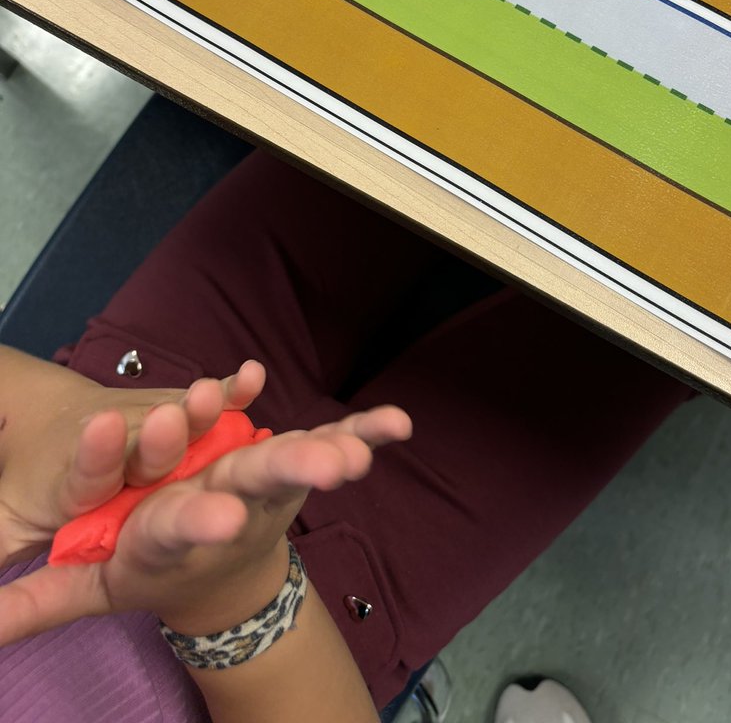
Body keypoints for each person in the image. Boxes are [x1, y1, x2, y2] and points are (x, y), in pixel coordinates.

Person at [0, 149, 695, 722]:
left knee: (406, 101)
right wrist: (237, 600)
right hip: (309, 636)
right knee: (677, 300)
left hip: (127, 408)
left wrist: (57, 423)